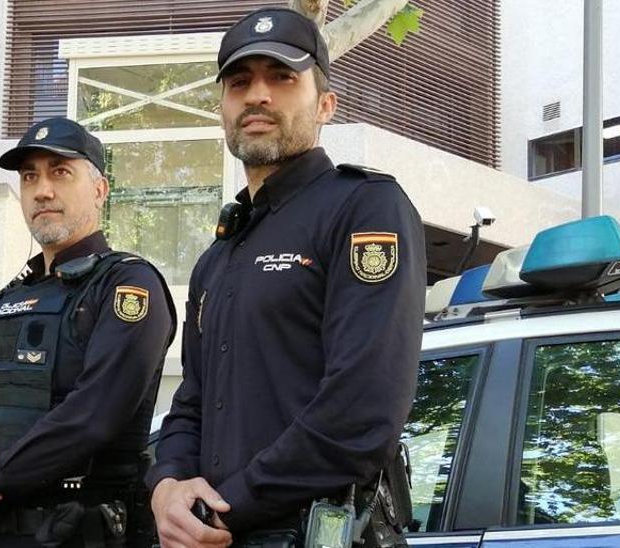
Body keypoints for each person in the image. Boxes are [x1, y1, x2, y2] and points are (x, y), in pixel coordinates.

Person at [147, 7, 426, 548]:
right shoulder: (218, 255)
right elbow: (193, 401)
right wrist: (167, 486)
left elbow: (362, 410)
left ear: (325, 104)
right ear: (222, 109)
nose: (257, 94)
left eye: (281, 77)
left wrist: (227, 510)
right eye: (239, 81)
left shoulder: (365, 209)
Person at [0, 117, 176, 547]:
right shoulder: (3, 301)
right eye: (29, 177)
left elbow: (94, 415)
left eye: (60, 171)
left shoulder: (126, 285)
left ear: (99, 189)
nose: (41, 190)